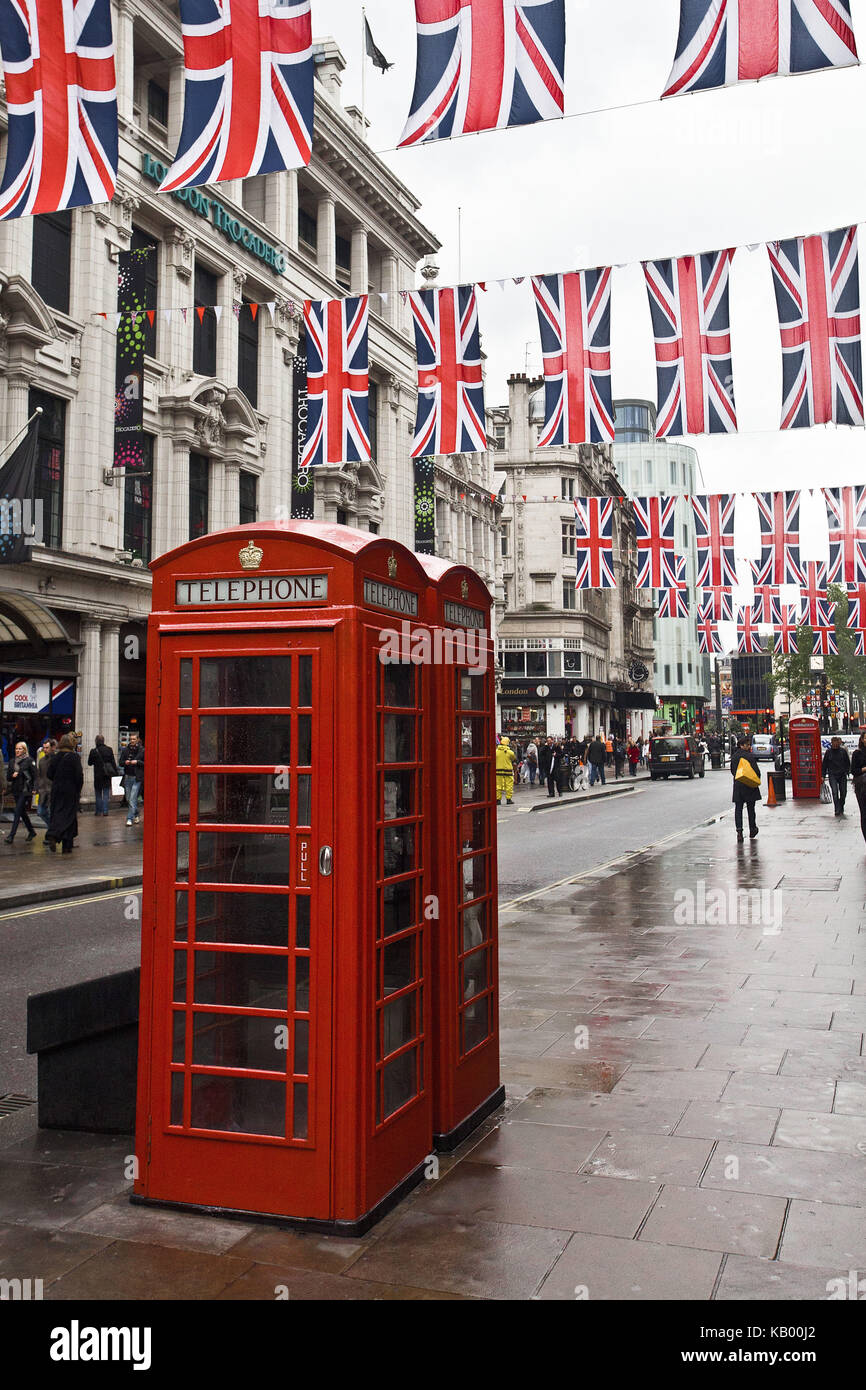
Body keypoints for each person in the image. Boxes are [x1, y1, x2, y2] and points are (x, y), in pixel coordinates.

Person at [44, 733, 83, 854]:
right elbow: (79, 776)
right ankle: (60, 839)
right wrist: (78, 789)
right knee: (69, 815)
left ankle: (59, 838)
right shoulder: (74, 757)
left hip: (57, 789)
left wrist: (57, 780)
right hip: (70, 790)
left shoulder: (56, 757)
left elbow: (49, 774)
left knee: (57, 813)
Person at [4, 741, 36, 844]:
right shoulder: (12, 761)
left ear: (24, 750)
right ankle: (31, 831)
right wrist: (12, 776)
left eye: (20, 749)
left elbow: (35, 776)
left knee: (17, 812)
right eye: (16, 749)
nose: (17, 751)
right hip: (16, 790)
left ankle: (11, 836)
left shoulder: (29, 761)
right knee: (22, 812)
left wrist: (35, 788)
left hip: (25, 790)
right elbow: (8, 777)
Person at [731, 736, 761, 842]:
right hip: (749, 786)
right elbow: (757, 772)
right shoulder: (749, 756)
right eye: (747, 745)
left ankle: (739, 832)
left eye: (749, 744)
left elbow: (732, 771)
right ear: (741, 745)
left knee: (738, 809)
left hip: (738, 785)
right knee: (750, 809)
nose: (749, 746)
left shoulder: (734, 757)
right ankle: (752, 829)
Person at [87, 734, 118, 816]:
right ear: (103, 741)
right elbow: (113, 762)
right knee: (106, 794)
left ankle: (98, 811)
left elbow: (89, 763)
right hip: (107, 775)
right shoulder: (109, 750)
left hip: (97, 775)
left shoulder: (93, 751)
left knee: (98, 794)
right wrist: (115, 773)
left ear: (96, 741)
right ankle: (105, 811)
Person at [119, 733, 145, 825]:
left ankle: (129, 818)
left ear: (137, 740)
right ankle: (136, 814)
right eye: (131, 739)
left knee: (133, 798)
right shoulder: (125, 750)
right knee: (129, 799)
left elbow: (146, 763)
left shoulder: (142, 750)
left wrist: (137, 761)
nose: (132, 741)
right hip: (127, 777)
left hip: (137, 778)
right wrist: (125, 762)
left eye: (134, 739)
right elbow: (120, 762)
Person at [822, 737, 851, 818]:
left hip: (842, 774)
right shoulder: (828, 752)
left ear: (839, 742)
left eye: (836, 742)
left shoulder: (843, 752)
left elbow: (847, 762)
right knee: (835, 792)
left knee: (843, 793)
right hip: (832, 774)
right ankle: (837, 809)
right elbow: (824, 765)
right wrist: (823, 776)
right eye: (833, 742)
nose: (835, 744)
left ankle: (841, 806)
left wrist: (847, 771)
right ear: (831, 743)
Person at [35, 738, 55, 822]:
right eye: (44, 748)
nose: (45, 750)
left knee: (51, 813)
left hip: (52, 790)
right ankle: (51, 828)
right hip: (43, 790)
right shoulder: (42, 761)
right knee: (40, 812)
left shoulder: (55, 759)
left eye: (47, 748)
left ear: (52, 748)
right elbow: (39, 775)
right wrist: (37, 787)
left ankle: (52, 830)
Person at [852, 732, 866, 846]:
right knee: (865, 814)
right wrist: (864, 769)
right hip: (862, 788)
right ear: (862, 740)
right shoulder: (857, 753)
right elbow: (854, 771)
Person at [495, 735, 517, 806]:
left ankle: (498, 800)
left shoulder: (496, 751)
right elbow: (514, 758)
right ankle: (508, 799)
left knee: (498, 785)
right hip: (508, 770)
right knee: (509, 785)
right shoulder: (510, 752)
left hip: (498, 771)